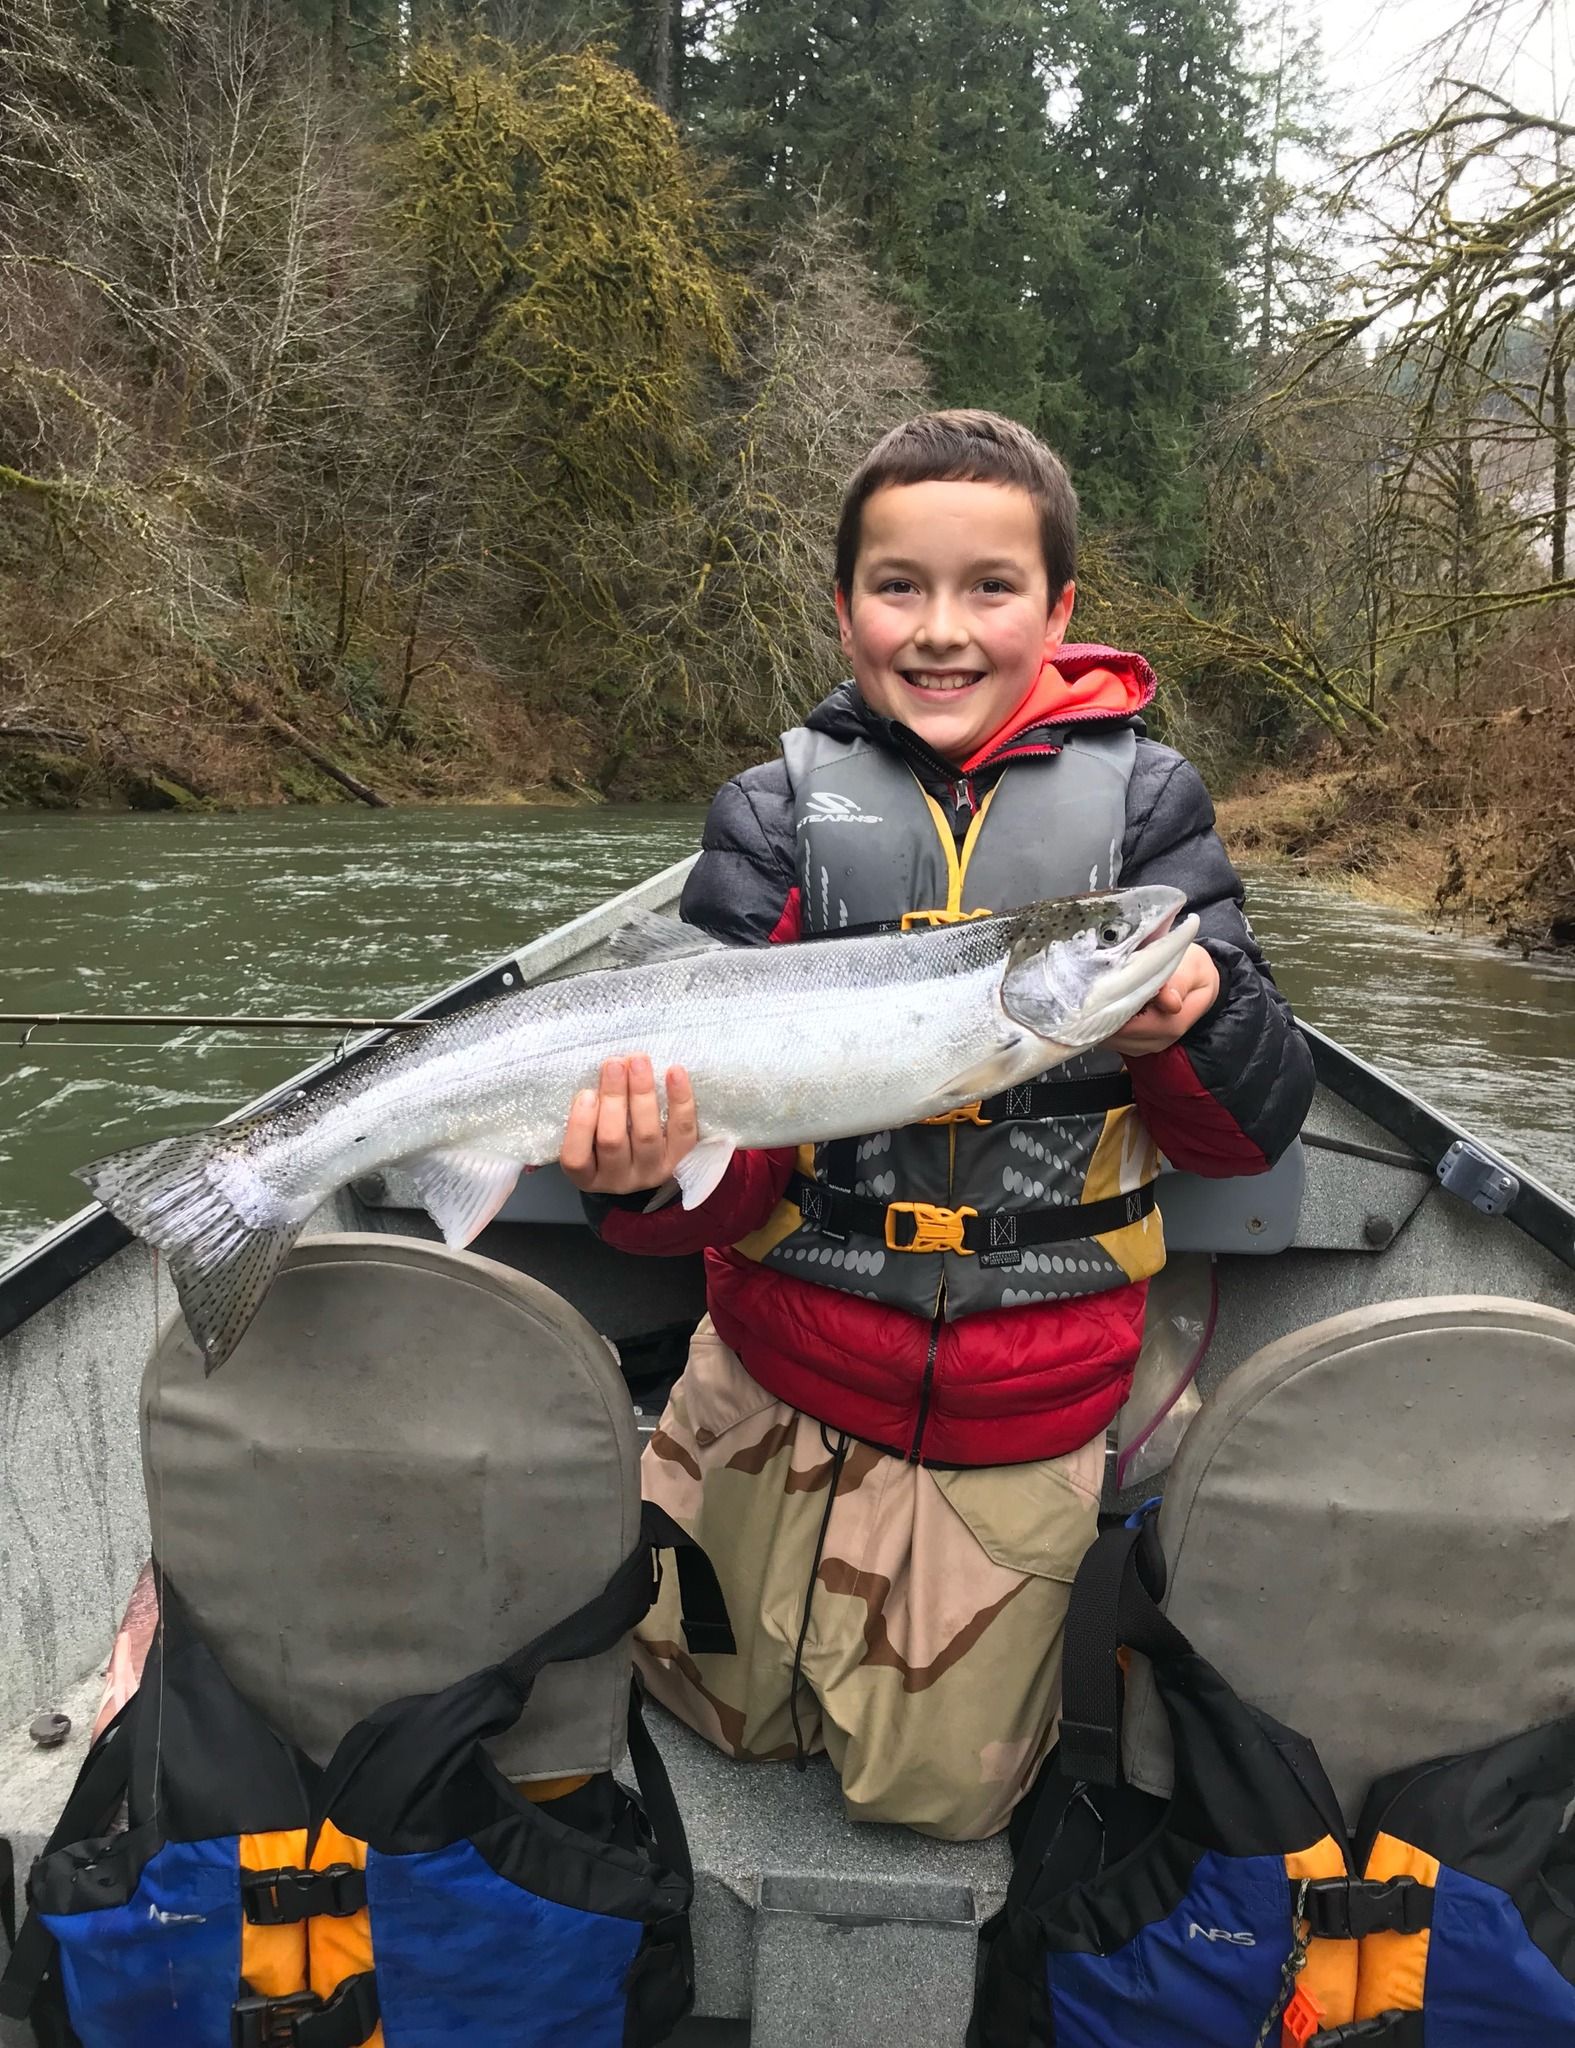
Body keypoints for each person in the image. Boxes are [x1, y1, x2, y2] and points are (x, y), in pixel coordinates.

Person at [560, 410, 1313, 1841]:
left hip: (1021, 1413)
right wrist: (645, 1184)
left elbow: (1245, 1135)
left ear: (1060, 610)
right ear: (844, 608)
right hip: (776, 1374)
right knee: (700, 1711)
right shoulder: (772, 814)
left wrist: (1201, 1012)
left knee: (932, 1804)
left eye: (990, 589)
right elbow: (725, 1180)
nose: (941, 629)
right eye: (898, 586)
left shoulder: (1150, 813)